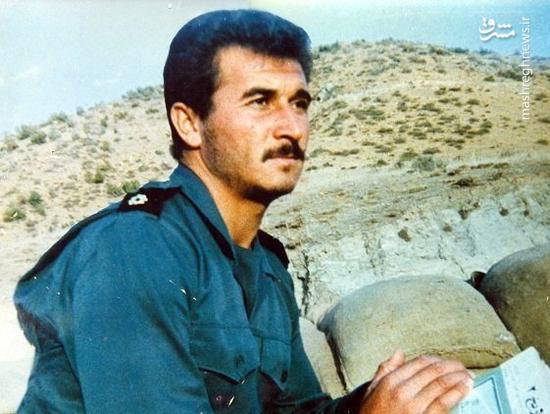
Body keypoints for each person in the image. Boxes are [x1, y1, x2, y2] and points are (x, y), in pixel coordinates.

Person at [13, 9, 473, 413]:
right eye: (260, 101)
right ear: (190, 124)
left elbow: (294, 410)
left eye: (299, 103)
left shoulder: (266, 269)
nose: (291, 127)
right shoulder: (134, 250)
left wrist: (379, 401)